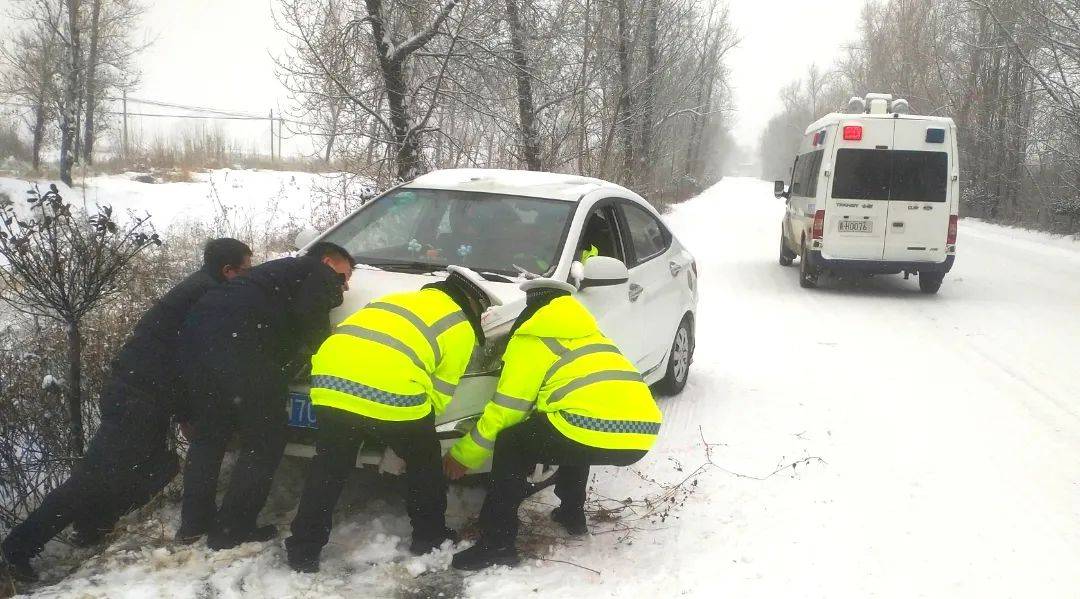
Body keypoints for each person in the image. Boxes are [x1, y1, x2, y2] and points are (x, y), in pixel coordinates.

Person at [0, 238, 253, 583]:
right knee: (92, 478)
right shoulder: (206, 296)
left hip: (145, 396)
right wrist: (188, 414)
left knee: (156, 467)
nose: (249, 277)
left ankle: (92, 524)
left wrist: (180, 412)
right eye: (247, 269)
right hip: (136, 397)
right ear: (229, 271)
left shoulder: (200, 289)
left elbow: (178, 360)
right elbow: (191, 362)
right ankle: (17, 550)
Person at [285, 266, 501, 573]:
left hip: (329, 383)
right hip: (394, 396)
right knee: (424, 462)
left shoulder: (392, 301)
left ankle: (303, 549)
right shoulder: (460, 327)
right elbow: (441, 393)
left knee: (329, 467)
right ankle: (430, 536)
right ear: (473, 304)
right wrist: (413, 432)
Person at [443, 278, 662, 571]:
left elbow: (507, 410)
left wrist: (463, 455)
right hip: (642, 433)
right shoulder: (592, 335)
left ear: (532, 307)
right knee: (569, 427)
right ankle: (572, 514)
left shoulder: (534, 336)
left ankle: (497, 544)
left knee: (514, 440)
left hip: (589, 425)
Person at [176, 242, 354, 550]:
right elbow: (311, 317)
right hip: (245, 350)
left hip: (199, 342)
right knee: (265, 439)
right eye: (343, 277)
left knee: (209, 436)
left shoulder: (270, 274)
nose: (346, 286)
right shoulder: (317, 271)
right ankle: (231, 531)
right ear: (327, 262)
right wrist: (328, 356)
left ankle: (194, 523)